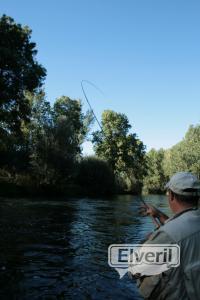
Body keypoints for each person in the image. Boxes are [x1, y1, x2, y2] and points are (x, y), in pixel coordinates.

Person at [135, 171, 200, 300]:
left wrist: (147, 241)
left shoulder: (165, 235)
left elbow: (135, 269)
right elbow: (183, 229)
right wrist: (159, 215)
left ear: (171, 196)